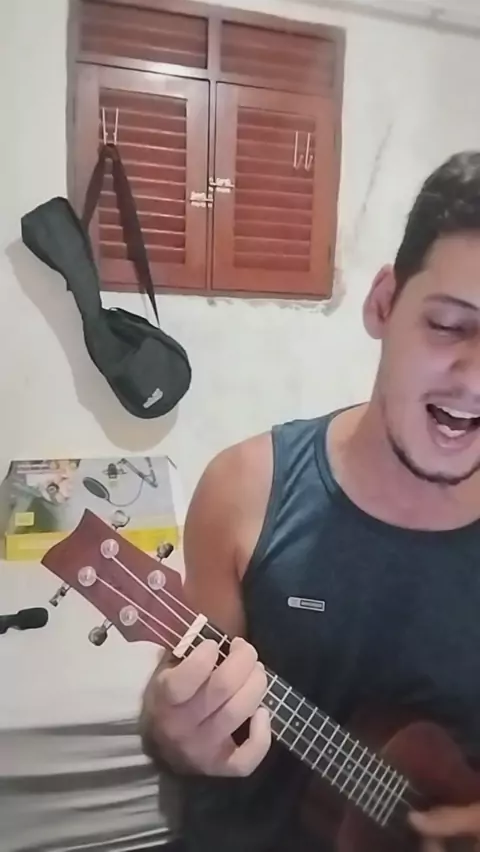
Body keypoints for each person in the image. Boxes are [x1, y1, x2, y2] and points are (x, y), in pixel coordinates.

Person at [139, 151, 480, 852]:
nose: (474, 380)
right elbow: (180, 698)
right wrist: (169, 731)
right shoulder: (246, 492)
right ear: (383, 304)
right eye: (450, 325)